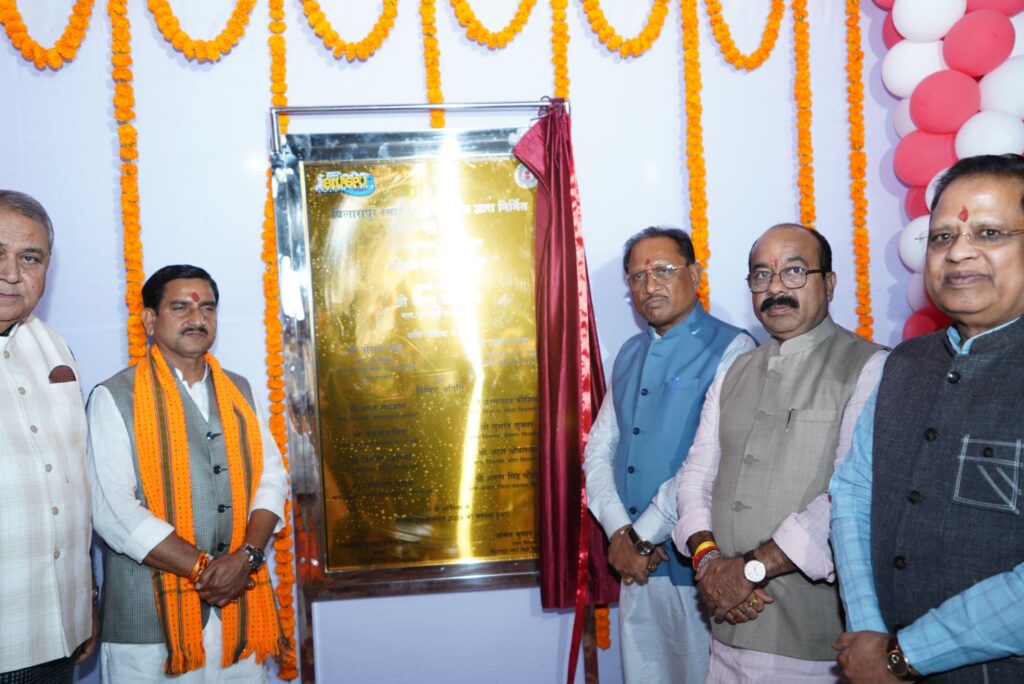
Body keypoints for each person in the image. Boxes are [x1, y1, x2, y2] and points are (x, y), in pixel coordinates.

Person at [831, 154, 1024, 683]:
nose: (958, 251)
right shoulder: (904, 363)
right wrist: (868, 633)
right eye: (941, 238)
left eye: (989, 233)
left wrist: (904, 654)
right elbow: (853, 493)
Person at [672, 223, 886, 682]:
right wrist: (709, 561)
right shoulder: (734, 370)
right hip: (725, 628)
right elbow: (696, 476)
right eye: (761, 275)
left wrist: (748, 571)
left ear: (829, 283)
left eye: (794, 271)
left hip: (813, 647)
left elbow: (851, 498)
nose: (775, 289)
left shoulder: (871, 367)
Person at [87, 264, 289, 682]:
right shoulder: (115, 396)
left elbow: (271, 479)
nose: (197, 319)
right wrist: (206, 571)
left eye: (207, 309)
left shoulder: (240, 391)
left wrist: (246, 559)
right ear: (149, 319)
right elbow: (113, 511)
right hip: (149, 624)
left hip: (238, 617)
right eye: (180, 307)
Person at [583, 226, 754, 683]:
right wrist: (619, 532)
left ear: (694, 274)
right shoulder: (629, 353)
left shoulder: (733, 348)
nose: (649, 286)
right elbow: (600, 447)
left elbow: (711, 459)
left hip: (699, 563)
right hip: (636, 566)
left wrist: (642, 536)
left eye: (663, 270)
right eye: (637, 277)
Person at [0, 191, 96, 684]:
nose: (11, 273)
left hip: (59, 631)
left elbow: (73, 482)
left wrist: (87, 597)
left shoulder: (55, 347)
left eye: (29, 258)